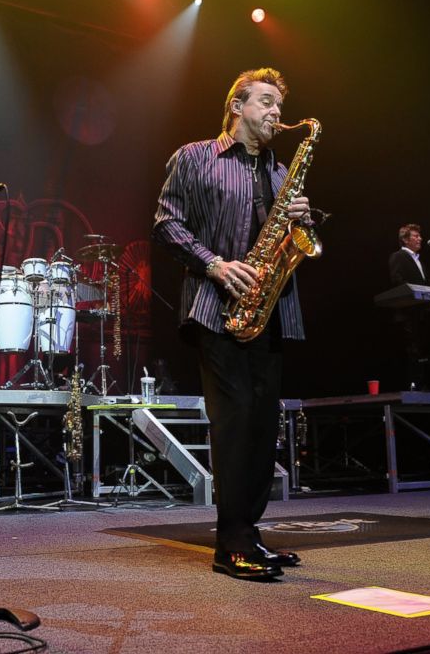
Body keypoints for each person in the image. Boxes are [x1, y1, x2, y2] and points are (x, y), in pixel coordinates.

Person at [153, 67, 310, 580]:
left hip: (271, 309)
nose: (276, 114)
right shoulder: (196, 156)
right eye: (266, 102)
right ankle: (231, 544)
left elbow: (291, 238)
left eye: (280, 107)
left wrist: (303, 220)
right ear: (237, 105)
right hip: (215, 307)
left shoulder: (280, 171)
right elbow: (166, 223)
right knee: (236, 419)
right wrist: (215, 264)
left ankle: (250, 532)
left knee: (265, 427)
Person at [388, 224, 430, 389]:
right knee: (412, 351)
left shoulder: (419, 259)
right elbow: (397, 280)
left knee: (424, 350)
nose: (420, 239)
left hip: (422, 312)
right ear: (405, 240)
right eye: (415, 236)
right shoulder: (398, 256)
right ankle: (413, 385)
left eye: (419, 236)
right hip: (407, 314)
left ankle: (426, 385)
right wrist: (414, 294)